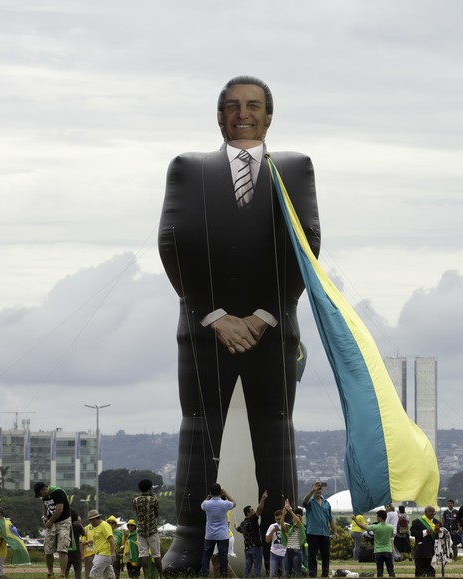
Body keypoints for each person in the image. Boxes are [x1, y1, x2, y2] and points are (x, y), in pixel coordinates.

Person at [158, 75, 321, 576]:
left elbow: (307, 243)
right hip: (205, 331)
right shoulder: (189, 169)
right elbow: (173, 243)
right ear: (219, 116)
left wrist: (264, 315)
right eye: (232, 106)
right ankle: (188, 539)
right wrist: (215, 316)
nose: (242, 114)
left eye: (252, 106)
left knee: (276, 432)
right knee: (198, 430)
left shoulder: (294, 168)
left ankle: (282, 536)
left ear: (269, 115)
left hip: (273, 329)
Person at [35, 481, 72, 579]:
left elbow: (59, 509)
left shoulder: (57, 492)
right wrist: (44, 516)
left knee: (62, 548)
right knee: (48, 549)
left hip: (63, 522)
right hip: (51, 523)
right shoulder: (44, 496)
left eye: (40, 493)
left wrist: (50, 521)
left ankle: (62, 575)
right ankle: (50, 573)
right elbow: (44, 505)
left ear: (44, 489)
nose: (40, 496)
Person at [301, 482, 336, 577]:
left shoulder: (326, 503)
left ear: (322, 490)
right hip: (312, 533)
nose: (318, 491)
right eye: (316, 489)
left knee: (326, 555)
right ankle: (313, 574)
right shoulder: (310, 502)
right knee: (312, 555)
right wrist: (312, 490)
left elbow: (330, 518)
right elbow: (304, 502)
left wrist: (335, 531)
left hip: (324, 533)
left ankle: (325, 574)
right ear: (313, 490)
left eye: (319, 489)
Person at [201, 484, 235, 577]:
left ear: (210, 493)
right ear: (221, 492)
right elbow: (234, 503)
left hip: (210, 535)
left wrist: (208, 498)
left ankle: (204, 574)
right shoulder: (224, 504)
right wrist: (226, 494)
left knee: (206, 556)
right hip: (223, 535)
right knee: (223, 556)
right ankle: (223, 575)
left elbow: (202, 505)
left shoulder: (206, 504)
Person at [131, 479, 162, 579]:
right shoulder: (154, 500)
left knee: (143, 554)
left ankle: (145, 576)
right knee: (156, 554)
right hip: (152, 530)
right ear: (150, 488)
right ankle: (161, 575)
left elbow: (137, 513)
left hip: (140, 530)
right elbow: (156, 514)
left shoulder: (135, 500)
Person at [237, 492, 268, 577]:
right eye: (252, 510)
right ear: (248, 513)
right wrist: (263, 498)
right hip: (256, 548)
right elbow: (259, 509)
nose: (254, 511)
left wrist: (236, 527)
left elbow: (239, 529)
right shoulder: (253, 519)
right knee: (257, 569)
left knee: (247, 569)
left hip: (247, 549)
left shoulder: (243, 523)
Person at [409, 506, 440, 577]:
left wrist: (439, 532)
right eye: (431, 511)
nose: (433, 513)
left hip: (432, 552)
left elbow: (441, 537)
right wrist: (425, 532)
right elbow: (413, 533)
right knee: (420, 574)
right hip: (421, 552)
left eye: (434, 511)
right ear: (425, 512)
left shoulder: (437, 522)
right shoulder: (417, 522)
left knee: (431, 574)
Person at [86, 510, 117, 579]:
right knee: (109, 575)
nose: (90, 522)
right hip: (100, 554)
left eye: (91, 520)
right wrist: (88, 542)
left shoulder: (104, 525)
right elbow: (98, 539)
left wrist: (113, 552)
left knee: (94, 574)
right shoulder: (95, 526)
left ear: (95, 518)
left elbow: (111, 539)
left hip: (104, 554)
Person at [366, 510, 395, 578]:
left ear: (380, 518)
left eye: (377, 517)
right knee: (391, 570)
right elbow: (391, 536)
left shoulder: (375, 527)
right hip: (388, 550)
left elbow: (364, 527)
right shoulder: (391, 527)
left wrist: (355, 519)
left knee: (379, 571)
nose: (376, 518)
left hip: (378, 551)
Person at [281, 506, 305, 578]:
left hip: (297, 551)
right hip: (288, 552)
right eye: (294, 517)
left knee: (297, 572)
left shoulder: (301, 527)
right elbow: (282, 524)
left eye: (299, 517)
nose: (296, 518)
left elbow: (298, 521)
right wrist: (283, 514)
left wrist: (291, 511)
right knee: (287, 572)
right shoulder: (289, 527)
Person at [264, 510, 286, 578]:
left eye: (279, 519)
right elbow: (267, 540)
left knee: (286, 574)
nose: (278, 521)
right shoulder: (272, 526)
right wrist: (273, 531)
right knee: (272, 574)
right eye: (276, 519)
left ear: (282, 517)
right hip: (274, 553)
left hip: (285, 553)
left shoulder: (287, 525)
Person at [68, 510, 86, 579]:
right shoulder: (77, 526)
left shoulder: (65, 526)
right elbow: (84, 533)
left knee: (65, 571)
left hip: (67, 552)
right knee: (78, 572)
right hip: (76, 553)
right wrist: (79, 522)